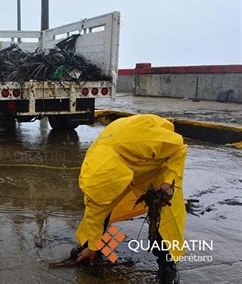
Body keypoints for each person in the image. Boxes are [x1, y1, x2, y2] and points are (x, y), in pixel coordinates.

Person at [74, 114, 187, 284]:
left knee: (163, 218)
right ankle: (92, 247)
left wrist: (168, 182)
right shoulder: (95, 164)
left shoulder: (142, 141)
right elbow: (95, 211)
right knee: (100, 210)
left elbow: (178, 148)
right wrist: (92, 247)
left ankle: (168, 266)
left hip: (155, 166)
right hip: (124, 164)